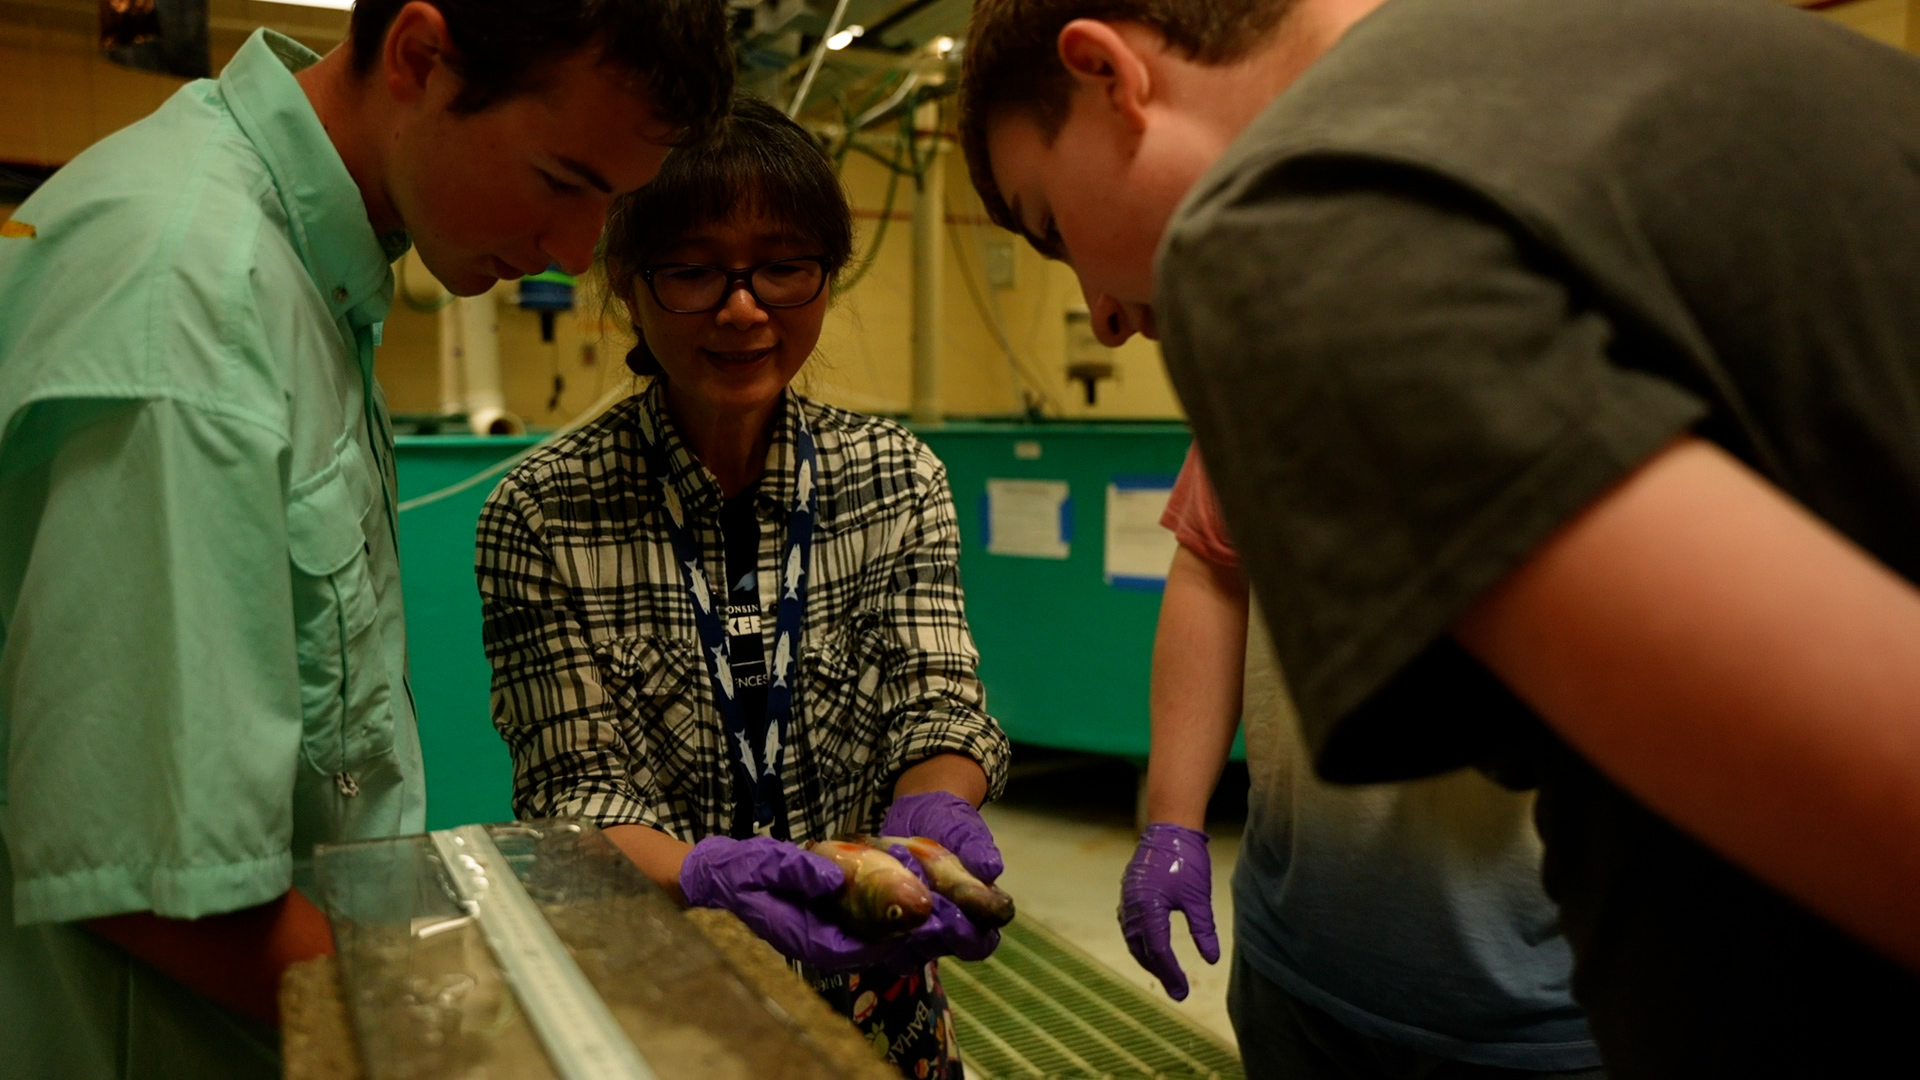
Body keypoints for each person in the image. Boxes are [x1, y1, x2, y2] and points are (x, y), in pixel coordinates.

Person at [958, 0, 1920, 1073]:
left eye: (1052, 226)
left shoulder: (1297, 228)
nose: (1099, 313)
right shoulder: (1588, 66)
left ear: (1106, 73)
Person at [0, 2, 731, 1076]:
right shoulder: (193, 305)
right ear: (421, 57)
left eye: (612, 207)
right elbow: (155, 887)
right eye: (565, 182)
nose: (577, 254)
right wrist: (495, 1035)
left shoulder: (305, 273)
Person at [474, 95, 1010, 1080]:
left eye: (781, 265)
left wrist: (935, 820)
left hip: (877, 992)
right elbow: (573, 785)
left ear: (827, 275)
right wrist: (703, 875)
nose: (742, 305)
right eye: (692, 269)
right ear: (628, 284)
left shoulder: (898, 478)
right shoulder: (542, 513)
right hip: (658, 990)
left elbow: (935, 701)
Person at [1126, 447, 1599, 1078]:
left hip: (1546, 994)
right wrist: (1172, 820)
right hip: (1293, 955)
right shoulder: (1264, 359)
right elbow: (1216, 564)